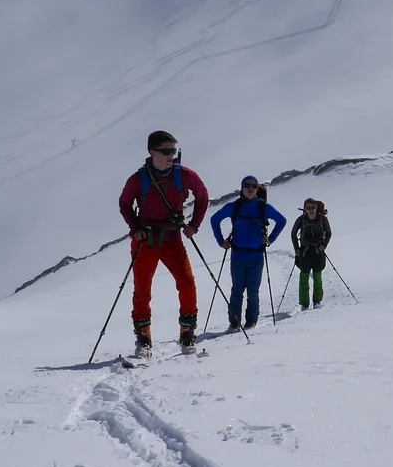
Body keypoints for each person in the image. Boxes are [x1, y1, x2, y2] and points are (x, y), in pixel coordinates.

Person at [118, 131, 210, 354]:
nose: (171, 155)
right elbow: (124, 204)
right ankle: (144, 340)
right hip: (146, 240)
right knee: (142, 289)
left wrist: (194, 225)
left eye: (173, 151)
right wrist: (136, 229)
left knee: (186, 282)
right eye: (166, 151)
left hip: (172, 237)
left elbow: (203, 196)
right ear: (152, 152)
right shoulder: (138, 179)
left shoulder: (184, 174)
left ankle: (187, 335)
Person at [211, 176, 286, 331]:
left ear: (257, 189)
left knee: (253, 290)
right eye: (247, 186)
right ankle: (235, 321)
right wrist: (220, 241)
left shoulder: (263, 207)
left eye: (253, 186)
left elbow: (282, 221)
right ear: (242, 188)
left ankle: (251, 321)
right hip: (238, 255)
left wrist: (270, 239)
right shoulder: (235, 206)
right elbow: (214, 219)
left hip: (256, 255)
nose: (251, 189)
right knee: (237, 289)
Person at [290, 198, 332, 310]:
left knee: (317, 276)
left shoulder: (321, 219)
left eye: (312, 208)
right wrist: (296, 249)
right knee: (305, 276)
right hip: (306, 251)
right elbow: (293, 234)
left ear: (316, 208)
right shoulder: (302, 219)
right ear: (305, 209)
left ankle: (316, 301)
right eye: (308, 208)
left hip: (316, 250)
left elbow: (329, 233)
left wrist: (324, 245)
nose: (311, 210)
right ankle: (305, 304)